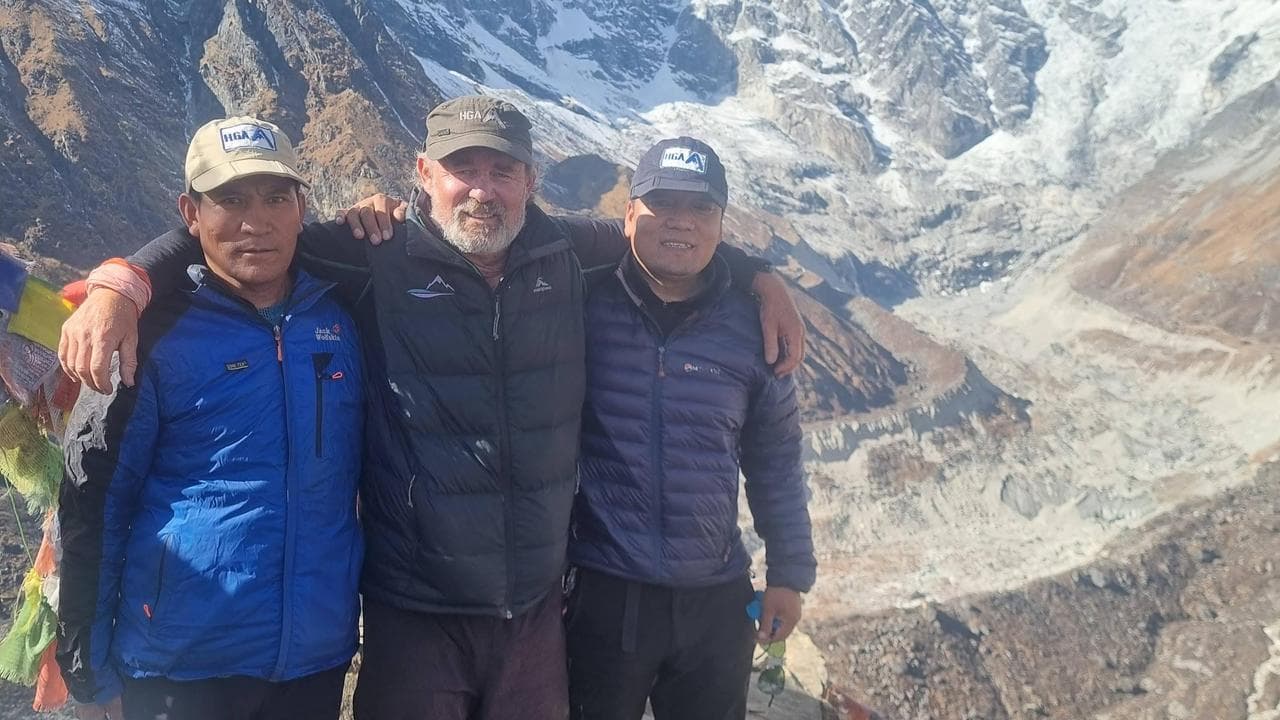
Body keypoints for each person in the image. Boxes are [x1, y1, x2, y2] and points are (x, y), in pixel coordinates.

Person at [57, 96, 805, 720]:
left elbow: (669, 240)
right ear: (423, 175)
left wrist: (762, 276)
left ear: (530, 181)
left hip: (534, 611)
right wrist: (121, 283)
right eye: (461, 168)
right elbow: (229, 242)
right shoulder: (368, 255)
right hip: (412, 608)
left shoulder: (567, 253)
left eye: (502, 170)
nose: (482, 188)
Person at [57, 116, 364, 720]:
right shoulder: (146, 335)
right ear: (190, 213)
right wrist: (89, 676)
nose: (257, 222)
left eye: (277, 198)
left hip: (313, 661)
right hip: (179, 667)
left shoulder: (345, 312)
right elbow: (93, 502)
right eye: (229, 200)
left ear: (303, 207)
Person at [564, 137, 817, 720]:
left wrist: (788, 575)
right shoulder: (580, 302)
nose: (680, 221)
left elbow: (776, 460)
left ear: (722, 222)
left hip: (716, 600)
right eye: (662, 204)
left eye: (700, 208)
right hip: (605, 593)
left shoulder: (753, 329)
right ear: (628, 214)